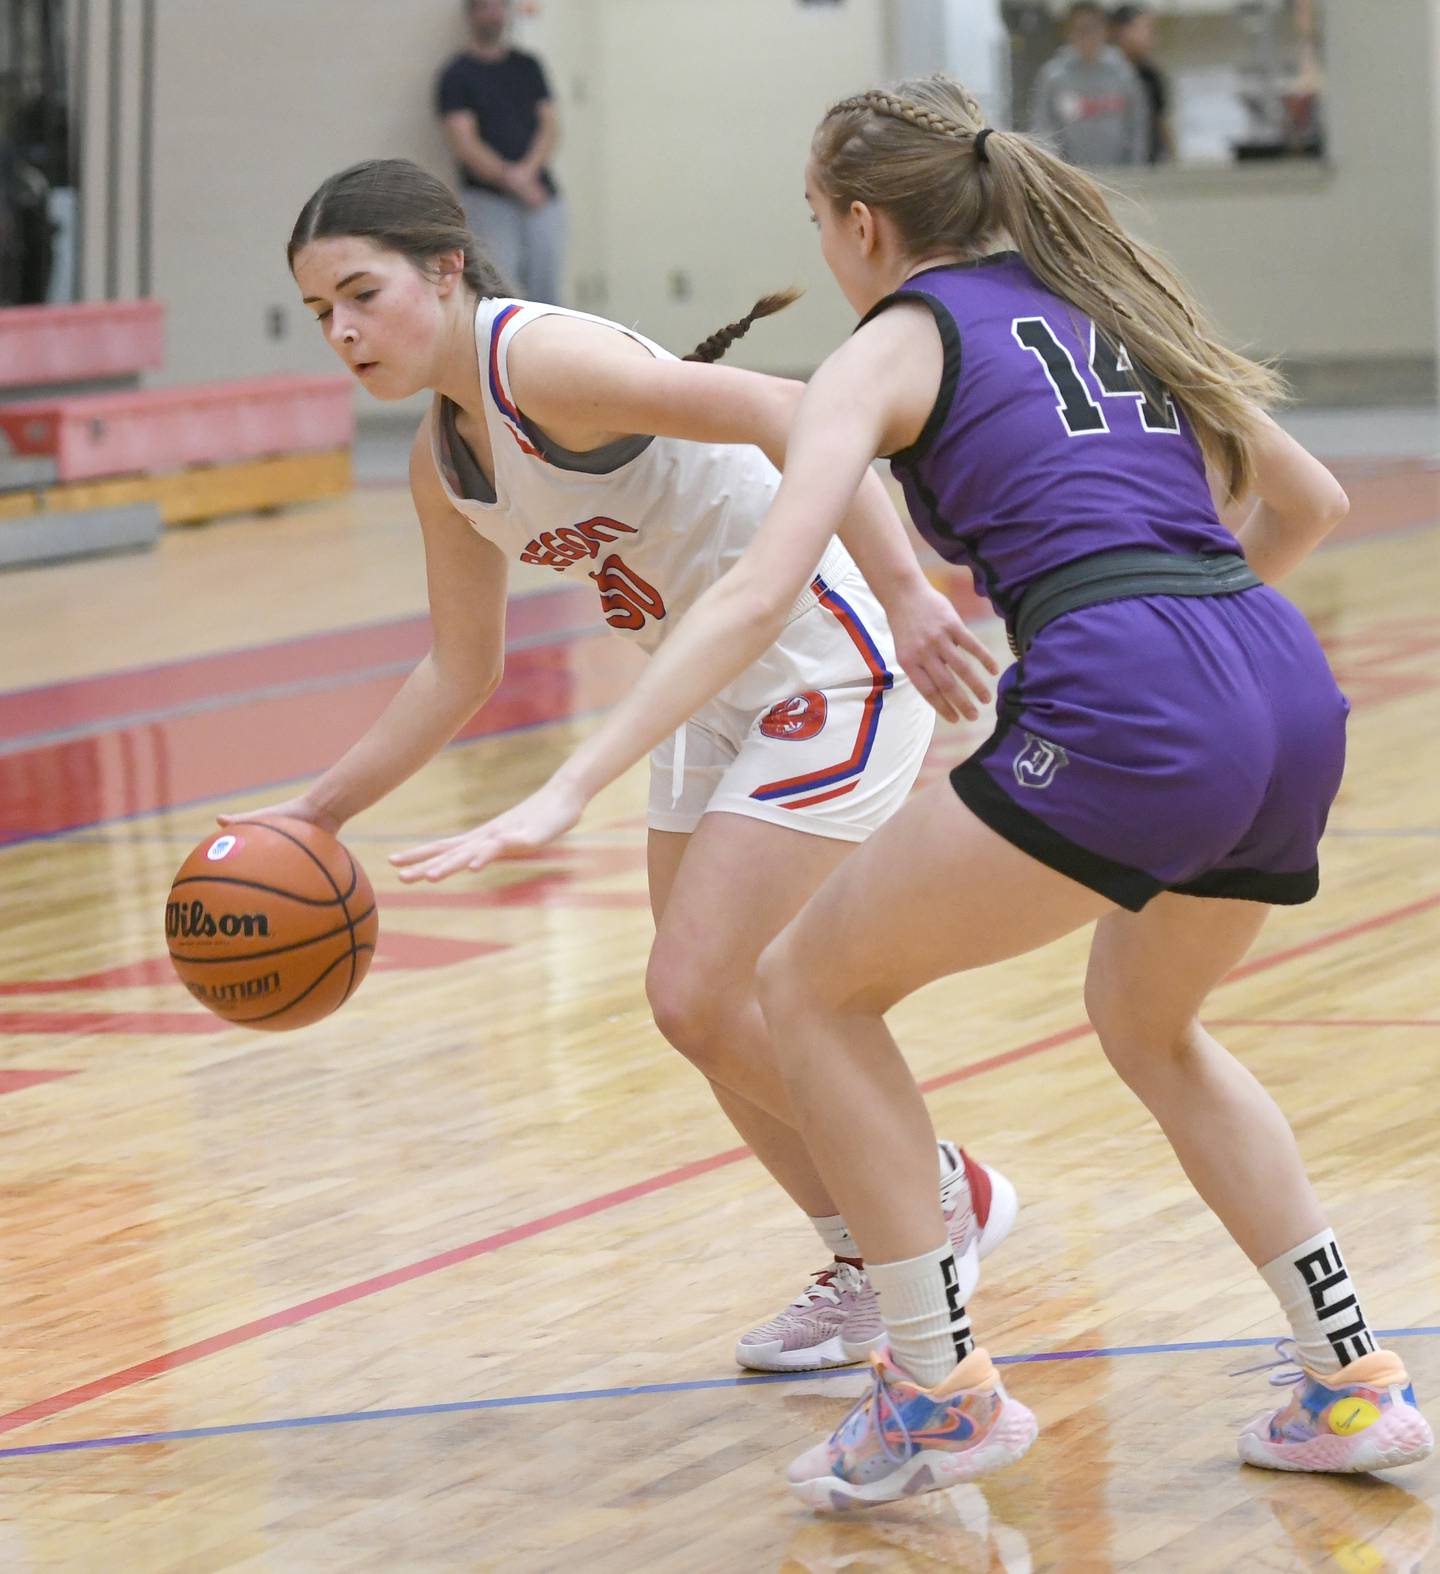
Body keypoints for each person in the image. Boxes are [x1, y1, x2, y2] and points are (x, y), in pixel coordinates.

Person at [404, 78, 1435, 1507]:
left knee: (808, 989)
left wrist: (569, 782)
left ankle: (940, 1390)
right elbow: (1309, 503)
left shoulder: (890, 346)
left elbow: (764, 583)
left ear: (864, 224)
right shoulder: (1100, 300)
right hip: (1282, 684)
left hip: (1139, 688)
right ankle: (1354, 1379)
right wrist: (1194, 645)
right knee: (1153, 1024)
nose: (821, 246)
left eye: (816, 220)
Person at [227, 156, 1018, 1378]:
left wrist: (912, 590)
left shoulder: (536, 359)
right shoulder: (443, 461)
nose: (341, 329)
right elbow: (460, 670)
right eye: (318, 308)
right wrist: (313, 814)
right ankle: (869, 1254)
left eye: (361, 292)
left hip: (828, 656)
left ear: (446, 270)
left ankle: (937, 1192)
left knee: (696, 990)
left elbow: (799, 411)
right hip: (710, 692)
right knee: (704, 1017)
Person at [436, 0, 565, 303]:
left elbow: (550, 127)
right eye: (484, 7)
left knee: (547, 295)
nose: (492, 14)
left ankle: (549, 352)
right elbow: (465, 144)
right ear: (471, 15)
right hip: (488, 200)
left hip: (540, 197)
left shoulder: (528, 66)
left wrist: (528, 172)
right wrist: (514, 181)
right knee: (499, 294)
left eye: (498, 7)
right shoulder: (456, 75)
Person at [1029, 1, 1148, 168]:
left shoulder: (1123, 73)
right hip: (1072, 177)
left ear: (1105, 30)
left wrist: (1136, 169)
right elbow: (1042, 129)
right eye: (1081, 30)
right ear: (1070, 32)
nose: (1088, 37)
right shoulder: (1054, 77)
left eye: (1094, 28)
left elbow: (1137, 127)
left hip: (1121, 175)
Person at [1110, 3, 1171, 164]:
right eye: (1146, 29)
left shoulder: (1150, 75)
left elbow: (1160, 122)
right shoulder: (1103, 75)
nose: (1152, 37)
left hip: (1147, 165)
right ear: (1121, 31)